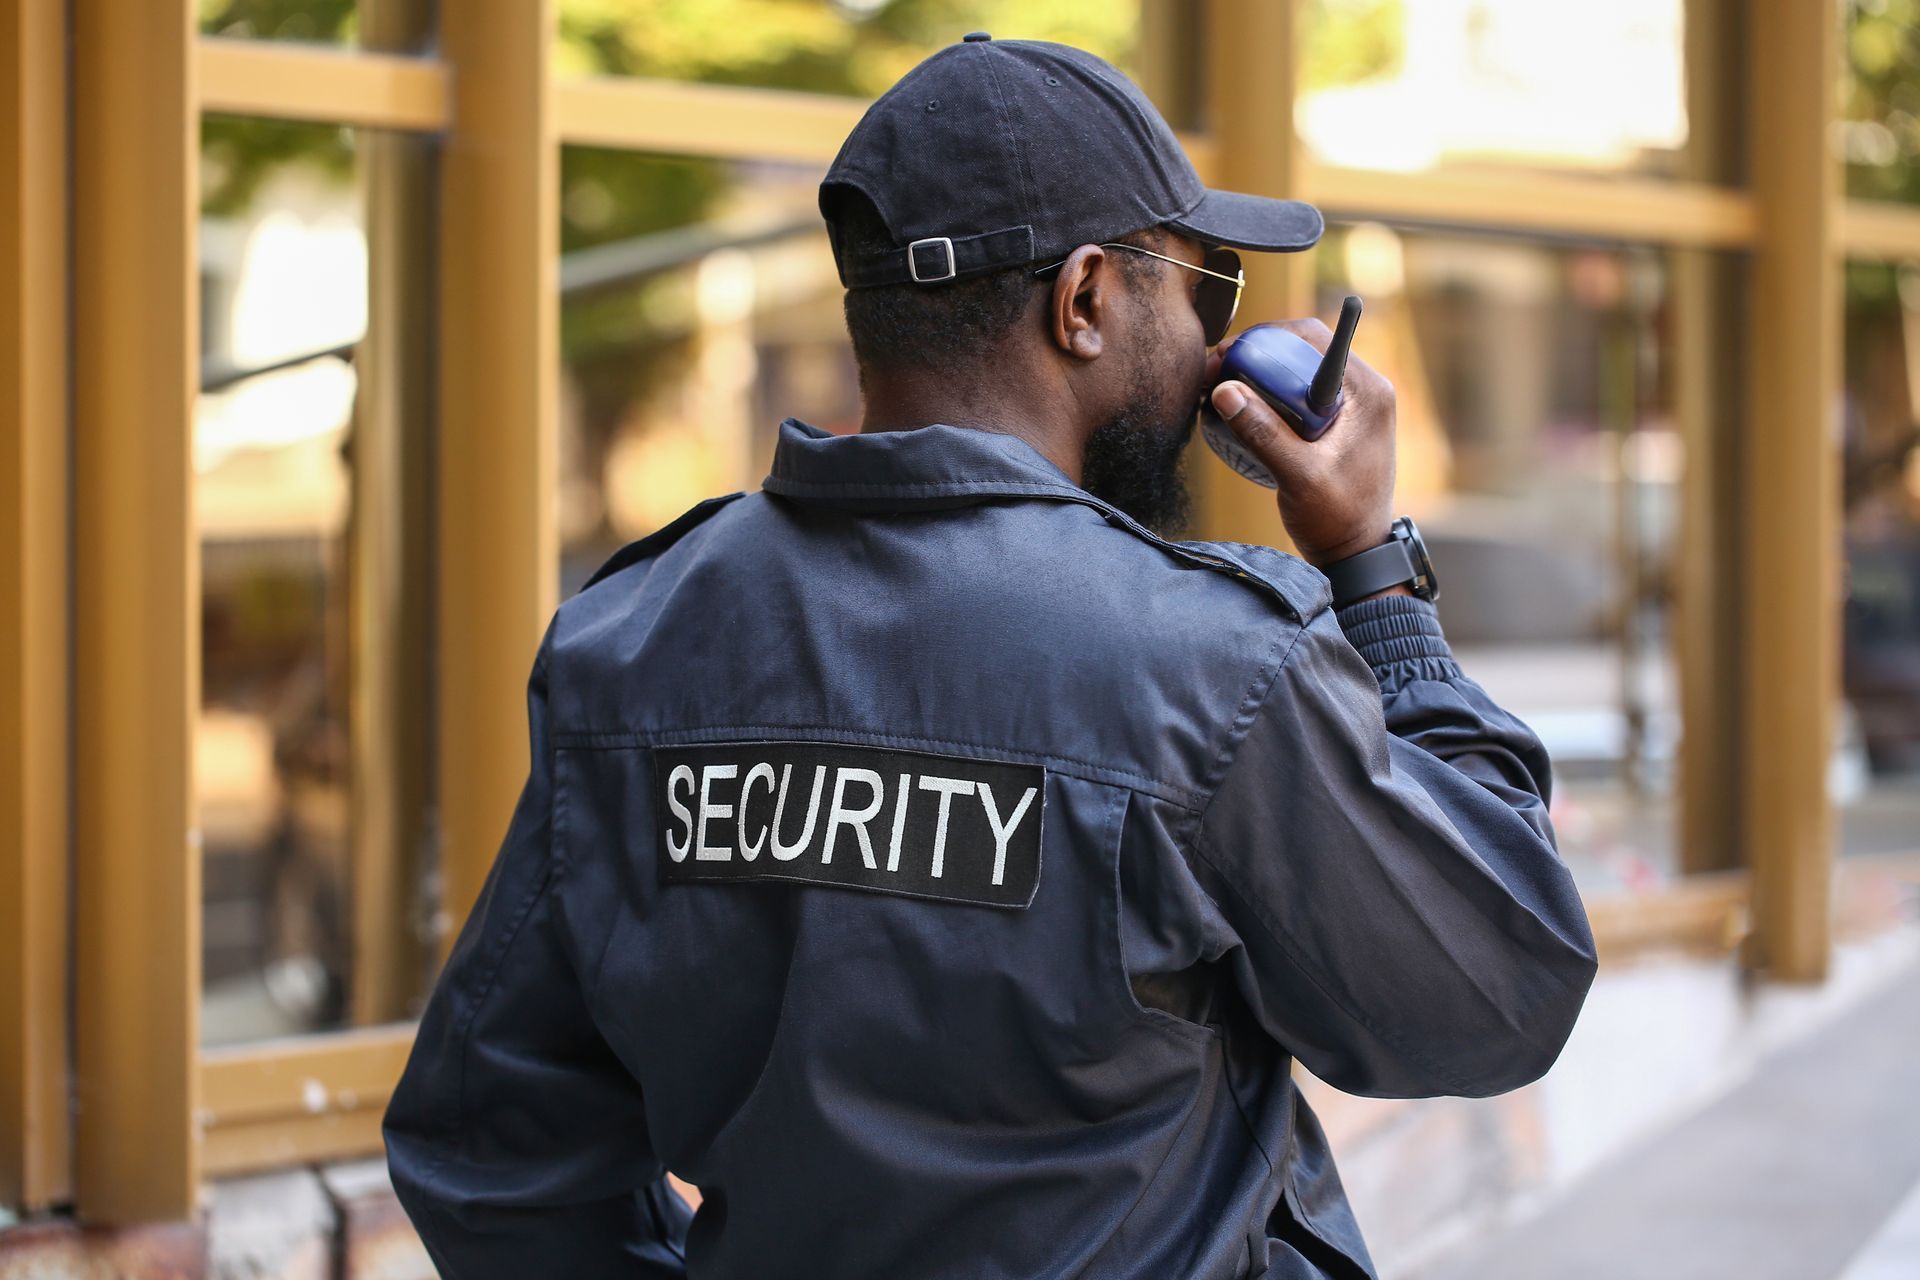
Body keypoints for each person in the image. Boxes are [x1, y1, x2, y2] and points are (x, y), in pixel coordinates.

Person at [383, 33, 1597, 1280]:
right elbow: (1498, 987)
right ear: (1083, 302)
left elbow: (491, 1144)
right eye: (1203, 290)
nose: (1212, 348)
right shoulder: (1209, 667)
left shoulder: (630, 643)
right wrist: (1373, 569)